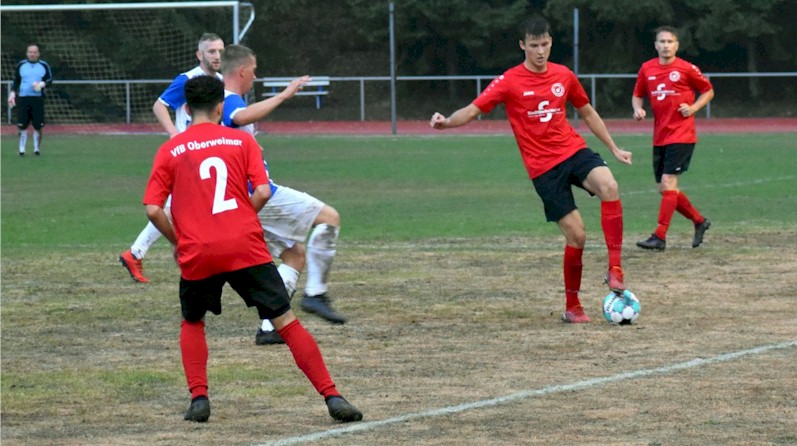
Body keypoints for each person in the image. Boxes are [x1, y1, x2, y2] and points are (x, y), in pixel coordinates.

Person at [142, 74, 362, 423]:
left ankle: (199, 399)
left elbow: (154, 208)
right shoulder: (240, 142)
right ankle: (332, 396)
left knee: (193, 321)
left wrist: (178, 241)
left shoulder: (171, 149)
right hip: (244, 244)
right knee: (286, 322)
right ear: (220, 107)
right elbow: (261, 191)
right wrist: (242, 217)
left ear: (185, 108)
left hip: (198, 250)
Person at [430, 16, 632, 323]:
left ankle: (615, 267)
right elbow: (472, 110)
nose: (541, 51)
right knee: (577, 236)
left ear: (551, 42)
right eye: (534, 45)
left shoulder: (563, 75)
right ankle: (572, 306)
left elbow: (587, 112)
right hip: (543, 169)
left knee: (609, 185)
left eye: (545, 44)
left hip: (572, 150)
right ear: (522, 45)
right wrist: (447, 122)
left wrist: (614, 147)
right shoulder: (509, 81)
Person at [219, 44, 348, 345]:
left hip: (242, 198)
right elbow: (239, 116)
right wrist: (283, 94)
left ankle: (269, 327)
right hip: (261, 194)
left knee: (294, 255)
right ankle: (316, 294)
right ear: (242, 71)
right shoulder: (229, 99)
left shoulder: (219, 103)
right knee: (330, 218)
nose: (255, 75)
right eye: (253, 70)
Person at [119, 33, 225, 283]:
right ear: (200, 55)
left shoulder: (220, 80)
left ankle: (137, 253)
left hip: (208, 152)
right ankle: (187, 256)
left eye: (220, 51)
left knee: (177, 207)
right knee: (183, 206)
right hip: (188, 152)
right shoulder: (187, 80)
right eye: (211, 51)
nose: (217, 56)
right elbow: (159, 105)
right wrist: (174, 133)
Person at [632, 26, 714, 251]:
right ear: (655, 45)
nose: (666, 45)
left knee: (669, 183)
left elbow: (708, 90)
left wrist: (694, 107)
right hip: (660, 136)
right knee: (665, 189)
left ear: (676, 45)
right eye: (662, 41)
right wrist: (637, 109)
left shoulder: (686, 68)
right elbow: (637, 94)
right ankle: (699, 221)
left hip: (682, 135)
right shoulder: (647, 69)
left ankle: (659, 236)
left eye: (670, 41)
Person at [8, 44, 53, 157]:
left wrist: (42, 84)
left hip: (38, 99)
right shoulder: (21, 65)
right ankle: (22, 149)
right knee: (22, 125)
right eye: (30, 52)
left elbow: (50, 80)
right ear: (27, 53)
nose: (32, 54)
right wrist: (13, 92)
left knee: (38, 125)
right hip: (23, 98)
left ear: (38, 53)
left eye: (34, 52)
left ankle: (36, 149)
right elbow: (16, 81)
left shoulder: (44, 65)